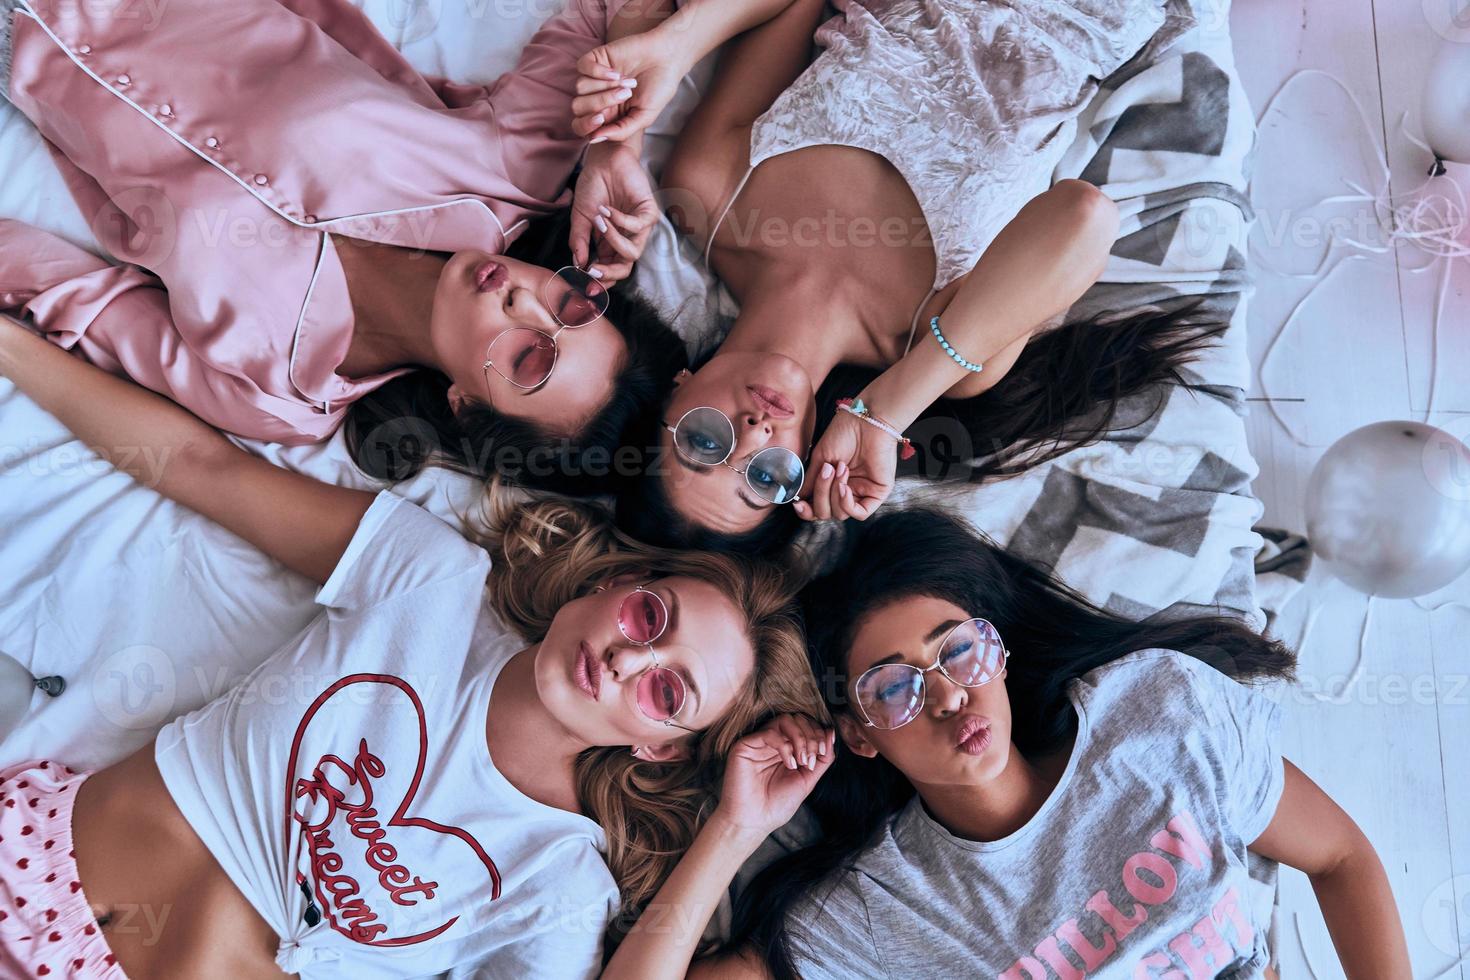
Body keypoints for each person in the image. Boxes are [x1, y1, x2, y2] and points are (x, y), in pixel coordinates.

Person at [0, 314, 829, 978]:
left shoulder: (558, 876)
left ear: (658, 744)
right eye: (650, 618)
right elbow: (200, 468)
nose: (628, 661)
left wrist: (733, 832)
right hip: (32, 872)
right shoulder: (431, 579)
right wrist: (11, 347)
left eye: (667, 692)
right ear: (606, 589)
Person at [0, 0, 802, 493]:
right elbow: (614, 11)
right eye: (567, 305)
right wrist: (612, 146)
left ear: (465, 404)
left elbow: (73, 299)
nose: (521, 300)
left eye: (530, 358)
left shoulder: (283, 394)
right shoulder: (509, 172)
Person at [599, 509, 1412, 979]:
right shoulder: (878, 909)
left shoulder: (1158, 716)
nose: (949, 696)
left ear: (1000, 649)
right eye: (894, 687)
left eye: (958, 649)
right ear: (860, 735)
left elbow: (1343, 859)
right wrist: (735, 828)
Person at [586, 0, 1229, 548]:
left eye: (704, 441)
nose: (753, 434)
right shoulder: (937, 349)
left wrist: (675, 44)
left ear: (676, 389)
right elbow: (1085, 218)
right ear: (803, 472)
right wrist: (886, 412)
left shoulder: (711, 196)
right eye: (764, 477)